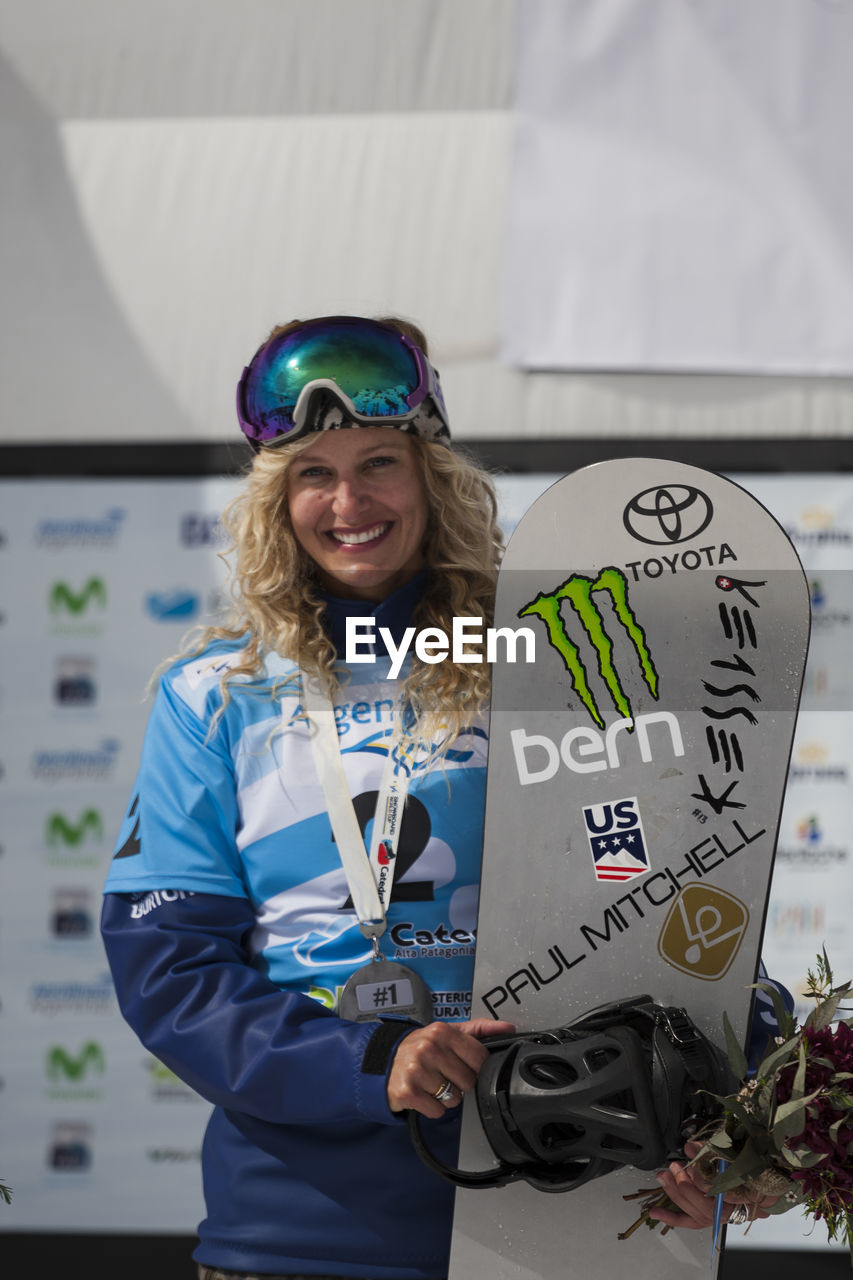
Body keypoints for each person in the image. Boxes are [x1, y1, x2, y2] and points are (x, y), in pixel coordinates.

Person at [102, 315, 781, 1280]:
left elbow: (682, 909)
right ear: (274, 498)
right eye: (312, 474)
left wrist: (740, 1122)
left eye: (378, 461)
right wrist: (370, 1063)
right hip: (304, 1234)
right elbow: (169, 966)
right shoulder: (218, 693)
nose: (348, 501)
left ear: (432, 475)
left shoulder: (546, 661)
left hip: (570, 1209)